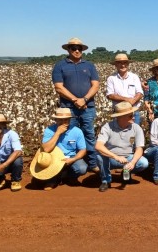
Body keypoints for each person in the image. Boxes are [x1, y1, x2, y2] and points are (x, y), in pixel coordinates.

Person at [52, 37, 100, 171]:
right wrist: (75, 100)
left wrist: (84, 99)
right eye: (73, 48)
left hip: (87, 106)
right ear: (68, 49)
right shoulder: (60, 65)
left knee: (89, 133)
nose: (77, 51)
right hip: (68, 108)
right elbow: (59, 87)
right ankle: (68, 165)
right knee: (68, 134)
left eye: (79, 48)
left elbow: (95, 85)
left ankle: (92, 163)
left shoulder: (89, 65)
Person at [95, 101, 150, 192]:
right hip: (111, 158)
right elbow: (98, 146)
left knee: (143, 162)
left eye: (132, 114)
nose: (133, 117)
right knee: (99, 156)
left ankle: (126, 172)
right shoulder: (107, 127)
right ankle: (106, 181)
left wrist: (132, 162)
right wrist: (115, 157)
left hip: (128, 158)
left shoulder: (137, 128)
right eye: (130, 115)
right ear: (120, 117)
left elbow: (139, 148)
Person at [33, 107, 87, 189]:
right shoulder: (49, 130)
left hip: (70, 158)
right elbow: (46, 149)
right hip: (53, 158)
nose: (63, 122)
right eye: (60, 120)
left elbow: (83, 150)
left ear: (70, 120)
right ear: (56, 120)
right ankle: (53, 179)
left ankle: (69, 177)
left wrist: (73, 159)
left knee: (82, 168)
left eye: (66, 120)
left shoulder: (77, 131)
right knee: (36, 181)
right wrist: (58, 133)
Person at [106, 53, 144, 124]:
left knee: (134, 133)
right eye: (120, 63)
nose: (123, 65)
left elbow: (140, 93)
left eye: (125, 63)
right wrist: (127, 100)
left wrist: (134, 100)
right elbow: (110, 95)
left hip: (133, 111)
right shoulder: (111, 78)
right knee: (118, 134)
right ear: (116, 65)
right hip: (118, 112)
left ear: (128, 64)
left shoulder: (134, 77)